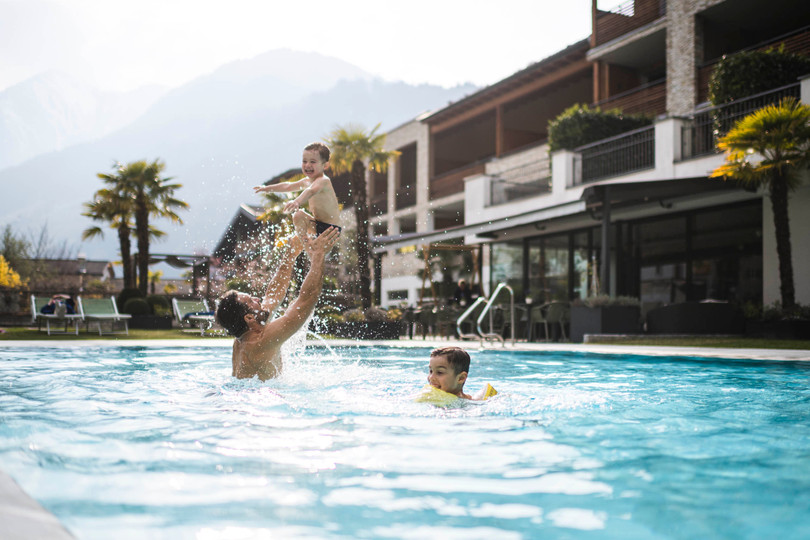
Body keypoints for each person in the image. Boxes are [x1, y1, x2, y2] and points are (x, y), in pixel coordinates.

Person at [215, 227, 340, 381]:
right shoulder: (260, 341)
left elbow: (272, 295)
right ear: (249, 318)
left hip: (247, 392)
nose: (258, 299)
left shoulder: (245, 334)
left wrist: (290, 255)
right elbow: (308, 298)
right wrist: (319, 254)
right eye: (251, 301)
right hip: (258, 395)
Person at [253, 142, 342, 242]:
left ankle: (311, 247)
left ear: (325, 165)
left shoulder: (323, 181)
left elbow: (310, 191)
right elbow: (288, 186)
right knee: (298, 215)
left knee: (318, 248)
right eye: (304, 161)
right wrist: (267, 188)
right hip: (316, 225)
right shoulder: (306, 181)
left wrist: (297, 202)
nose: (307, 165)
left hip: (332, 229)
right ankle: (306, 245)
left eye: (313, 162)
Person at [425, 346, 496, 401]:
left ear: (461, 378)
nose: (431, 377)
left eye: (440, 372)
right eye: (431, 371)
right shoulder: (428, 397)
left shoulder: (472, 403)